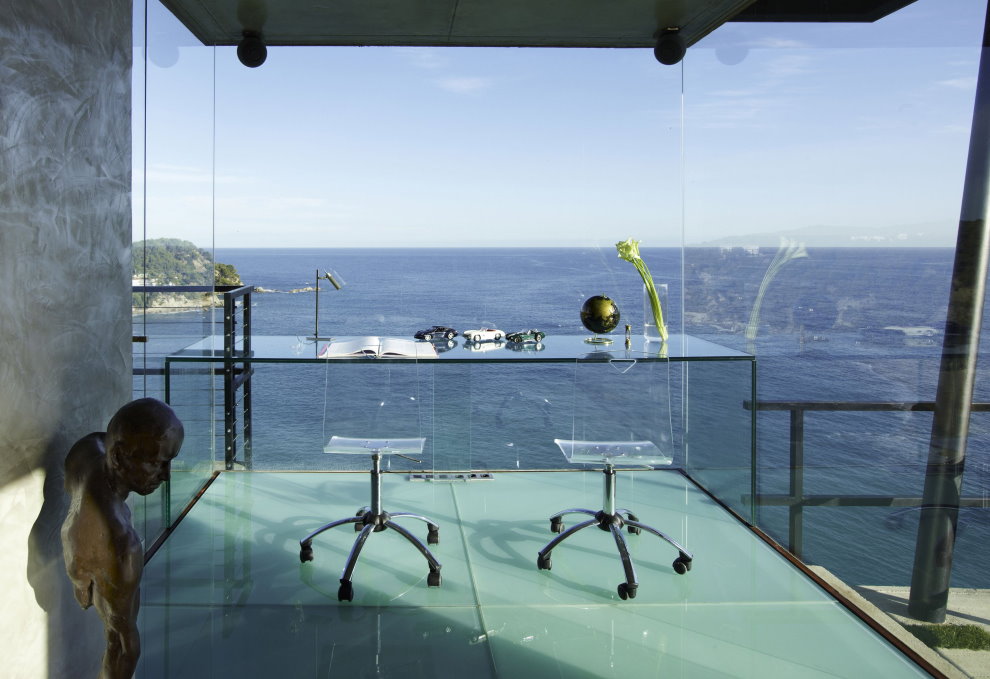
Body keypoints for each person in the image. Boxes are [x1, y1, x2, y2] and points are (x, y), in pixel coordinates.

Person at [61, 398, 184, 679]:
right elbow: (125, 647)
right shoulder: (123, 548)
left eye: (169, 462)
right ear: (117, 457)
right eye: (156, 463)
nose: (166, 476)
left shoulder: (88, 448)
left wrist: (80, 577)